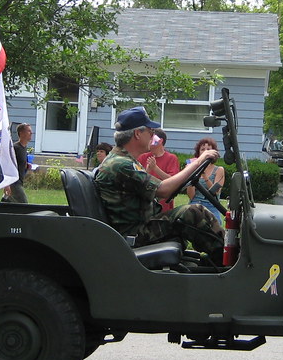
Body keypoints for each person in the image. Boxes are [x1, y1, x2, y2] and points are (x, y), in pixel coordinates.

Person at [94, 107, 224, 262]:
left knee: (189, 214)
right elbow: (163, 190)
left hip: (138, 226)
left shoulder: (124, 161)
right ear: (137, 134)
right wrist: (198, 162)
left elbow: (163, 187)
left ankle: (219, 260)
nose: (152, 135)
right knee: (193, 212)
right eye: (150, 131)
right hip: (133, 234)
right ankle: (227, 261)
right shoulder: (120, 165)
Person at [138, 129, 181, 213]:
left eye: (151, 138)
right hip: (144, 204)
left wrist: (155, 168)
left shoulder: (171, 158)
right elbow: (139, 180)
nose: (149, 141)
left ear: (160, 141)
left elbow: (172, 181)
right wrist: (148, 170)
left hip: (163, 206)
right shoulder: (142, 157)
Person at [186, 137, 226, 223]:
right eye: (202, 149)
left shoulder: (219, 170)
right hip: (195, 204)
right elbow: (191, 196)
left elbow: (215, 192)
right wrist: (189, 175)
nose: (205, 152)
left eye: (208, 149)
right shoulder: (194, 169)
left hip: (211, 205)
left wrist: (204, 176)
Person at [3, 123, 32, 203]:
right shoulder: (15, 148)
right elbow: (7, 165)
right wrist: (6, 184)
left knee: (10, 203)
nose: (31, 133)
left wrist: (26, 166)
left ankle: (4, 202)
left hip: (19, 181)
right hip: (14, 182)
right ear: (21, 133)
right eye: (29, 131)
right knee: (24, 204)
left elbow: (19, 163)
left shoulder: (24, 148)